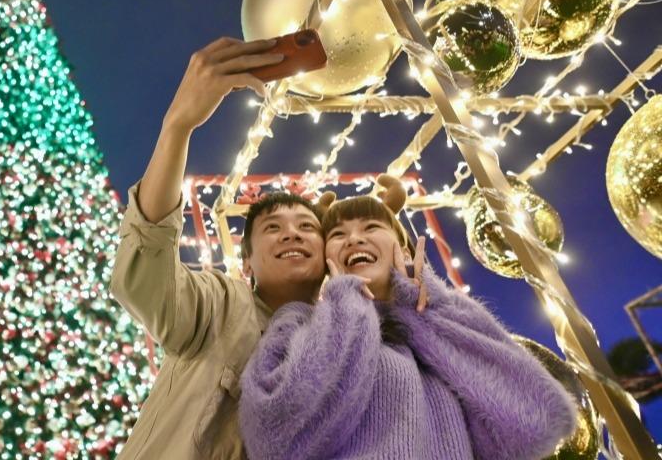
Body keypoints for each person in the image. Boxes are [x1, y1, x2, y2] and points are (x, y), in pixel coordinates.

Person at [239, 182, 579, 460]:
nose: (355, 238)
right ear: (328, 259)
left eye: (371, 226)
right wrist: (347, 302)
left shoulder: (436, 324)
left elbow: (535, 425)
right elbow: (274, 440)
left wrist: (423, 309)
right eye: (338, 234)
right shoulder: (299, 325)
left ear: (402, 247)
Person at [110, 36, 333, 459]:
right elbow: (145, 271)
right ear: (247, 260)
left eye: (307, 226)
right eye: (273, 228)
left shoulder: (342, 341)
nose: (292, 233)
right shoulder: (220, 305)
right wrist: (178, 125)